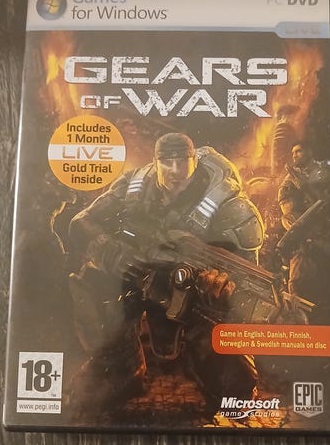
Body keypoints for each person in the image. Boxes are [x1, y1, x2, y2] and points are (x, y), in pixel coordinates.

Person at [67, 133, 265, 421]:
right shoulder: (133, 186)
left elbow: (249, 276)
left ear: (194, 161)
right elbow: (80, 222)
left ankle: (228, 383)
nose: (175, 170)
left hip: (195, 295)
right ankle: (121, 365)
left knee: (235, 390)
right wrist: (107, 248)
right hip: (138, 279)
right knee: (93, 281)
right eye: (167, 161)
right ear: (155, 162)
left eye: (182, 161)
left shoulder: (230, 205)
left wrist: (222, 296)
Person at [277, 141, 330, 321]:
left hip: (327, 228)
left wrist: (311, 188)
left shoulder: (323, 171)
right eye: (293, 152)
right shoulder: (291, 178)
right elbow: (285, 204)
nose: (295, 155)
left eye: (299, 151)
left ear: (309, 151)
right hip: (306, 235)